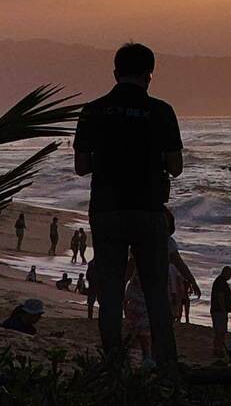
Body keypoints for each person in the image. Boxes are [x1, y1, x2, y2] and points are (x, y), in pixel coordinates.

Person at [73, 41, 183, 367]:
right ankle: (166, 367)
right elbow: (175, 166)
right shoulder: (161, 111)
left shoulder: (93, 110)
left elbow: (81, 166)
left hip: (106, 208)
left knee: (110, 290)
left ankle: (114, 363)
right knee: (155, 293)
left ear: (115, 72)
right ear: (150, 75)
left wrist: (109, 158)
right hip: (148, 208)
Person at [164, 210, 201, 323]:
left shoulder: (167, 243)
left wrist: (192, 281)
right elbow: (180, 264)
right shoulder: (166, 242)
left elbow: (180, 264)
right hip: (150, 287)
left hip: (154, 287)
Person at [210, 266, 231, 361]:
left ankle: (217, 349)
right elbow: (220, 296)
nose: (230, 276)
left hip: (219, 310)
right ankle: (218, 350)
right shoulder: (220, 282)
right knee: (220, 331)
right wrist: (223, 309)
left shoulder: (220, 281)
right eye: (230, 274)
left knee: (219, 331)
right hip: (219, 311)